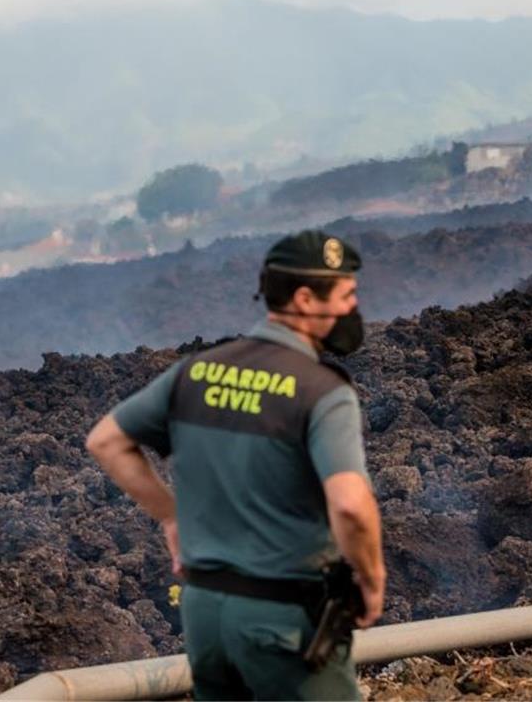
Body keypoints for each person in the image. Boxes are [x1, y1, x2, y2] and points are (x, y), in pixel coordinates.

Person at [86, 229, 385, 700]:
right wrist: (370, 577)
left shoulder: (195, 371)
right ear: (306, 299)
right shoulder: (322, 391)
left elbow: (106, 441)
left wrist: (170, 515)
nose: (353, 308)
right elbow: (349, 504)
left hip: (205, 617)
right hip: (285, 621)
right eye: (346, 295)